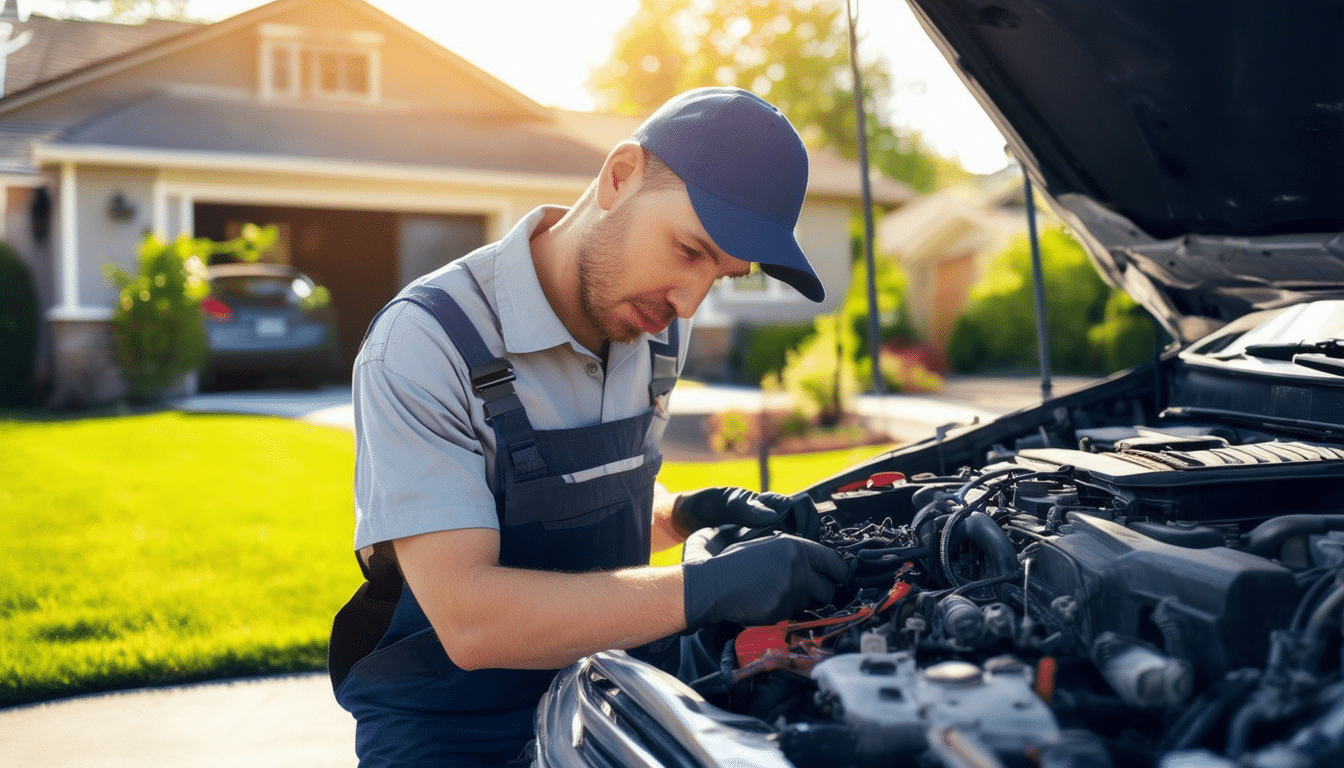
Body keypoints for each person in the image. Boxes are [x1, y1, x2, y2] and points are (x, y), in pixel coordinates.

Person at [328, 87, 849, 767]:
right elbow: (468, 618)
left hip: (604, 697)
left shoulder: (659, 327)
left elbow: (578, 518)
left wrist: (689, 513)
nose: (689, 301)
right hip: (452, 730)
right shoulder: (428, 343)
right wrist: (706, 588)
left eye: (722, 275)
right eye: (690, 250)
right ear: (620, 176)